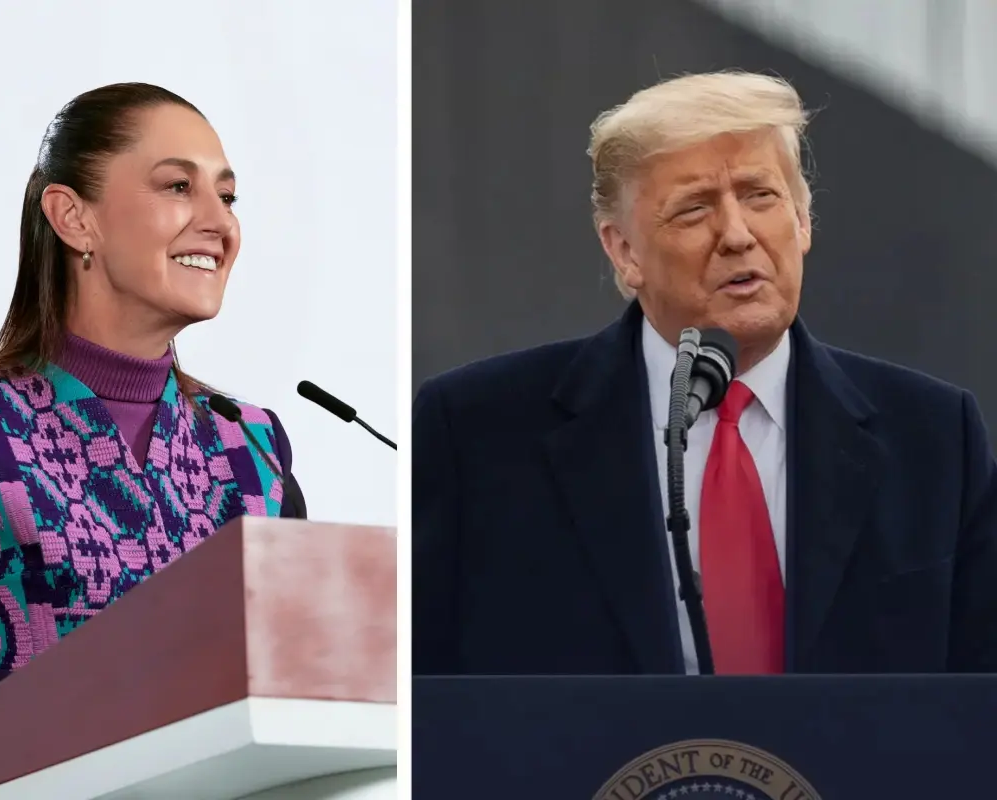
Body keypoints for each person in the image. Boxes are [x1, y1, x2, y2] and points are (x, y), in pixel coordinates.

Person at [412, 70, 997, 677]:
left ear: (803, 220)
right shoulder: (478, 433)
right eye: (694, 210)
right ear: (624, 251)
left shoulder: (933, 438)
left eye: (761, 196)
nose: (738, 236)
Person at [0, 83, 306, 767]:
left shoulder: (252, 449)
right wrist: (102, 706)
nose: (218, 223)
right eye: (177, 187)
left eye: (226, 198)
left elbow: (295, 700)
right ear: (74, 218)